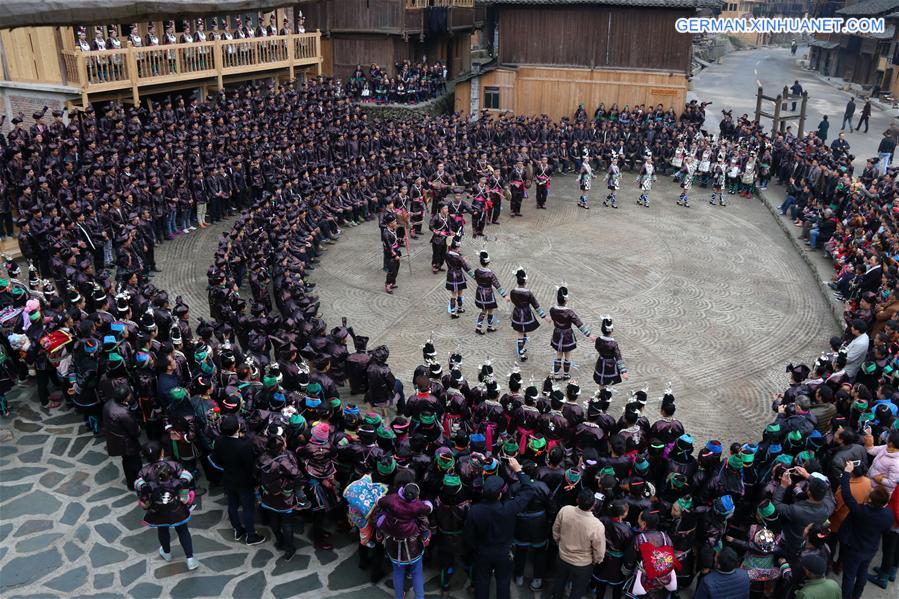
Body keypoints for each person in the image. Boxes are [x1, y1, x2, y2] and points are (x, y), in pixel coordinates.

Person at [463, 457, 535, 599]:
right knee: (503, 582)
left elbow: (469, 536)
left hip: (483, 552)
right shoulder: (509, 508)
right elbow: (528, 491)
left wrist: (476, 548)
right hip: (504, 553)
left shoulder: (474, 511)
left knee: (482, 582)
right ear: (500, 494)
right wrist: (518, 470)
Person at [135, 441, 199, 571]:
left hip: (158, 509)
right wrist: (185, 498)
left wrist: (146, 504)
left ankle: (167, 553)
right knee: (183, 530)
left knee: (162, 529)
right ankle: (190, 559)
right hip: (176, 507)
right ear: (163, 452)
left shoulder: (143, 472)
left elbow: (142, 492)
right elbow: (186, 481)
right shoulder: (174, 465)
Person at [837, 461, 893, 599]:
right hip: (870, 548)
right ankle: (856, 596)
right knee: (862, 573)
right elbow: (886, 531)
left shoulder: (861, 511)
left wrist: (846, 473)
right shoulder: (888, 515)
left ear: (871, 501)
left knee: (849, 576)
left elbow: (847, 495)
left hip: (854, 549)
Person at [210, 414, 266, 546]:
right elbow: (249, 466)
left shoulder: (219, 440)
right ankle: (251, 536)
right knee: (248, 508)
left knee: (232, 505)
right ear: (237, 428)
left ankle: (238, 529)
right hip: (244, 482)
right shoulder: (243, 446)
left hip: (228, 479)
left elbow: (217, 460)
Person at [376, 481, 433, 599]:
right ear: (417, 496)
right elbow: (428, 509)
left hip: (393, 547)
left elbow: (380, 502)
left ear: (402, 491)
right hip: (414, 548)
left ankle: (399, 596)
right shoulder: (417, 506)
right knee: (417, 573)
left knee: (397, 573)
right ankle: (420, 597)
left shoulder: (392, 500)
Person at [550, 487, 606, 599]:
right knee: (577, 590)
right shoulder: (597, 525)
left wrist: (559, 543)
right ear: (593, 505)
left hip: (562, 557)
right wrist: (596, 560)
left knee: (559, 582)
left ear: (577, 500)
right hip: (583, 565)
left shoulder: (565, 510)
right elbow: (599, 551)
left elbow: (555, 530)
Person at [102, 379, 143, 490]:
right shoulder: (123, 412)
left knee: (126, 462)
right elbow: (134, 430)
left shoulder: (108, 404)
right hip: (127, 443)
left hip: (116, 440)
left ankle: (131, 483)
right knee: (135, 463)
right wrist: (138, 429)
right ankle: (138, 483)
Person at [548, 285, 593, 380]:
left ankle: (556, 373)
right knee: (567, 354)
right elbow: (579, 324)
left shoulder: (552, 310)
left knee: (559, 354)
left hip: (557, 334)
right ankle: (566, 374)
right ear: (566, 299)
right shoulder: (569, 312)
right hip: (567, 335)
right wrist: (589, 335)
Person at [509, 267, 547, 362]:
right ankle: (521, 352)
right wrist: (544, 316)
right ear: (525, 282)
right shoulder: (528, 293)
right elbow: (536, 305)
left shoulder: (513, 291)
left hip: (517, 314)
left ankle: (521, 349)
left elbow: (513, 301)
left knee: (521, 333)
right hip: (526, 315)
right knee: (522, 333)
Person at [473, 250, 507, 335]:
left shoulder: (477, 271)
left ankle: (478, 326)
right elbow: (497, 284)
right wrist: (505, 295)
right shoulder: (490, 274)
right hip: (488, 294)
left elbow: (475, 278)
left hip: (479, 292)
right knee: (490, 311)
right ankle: (489, 327)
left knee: (483, 310)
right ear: (488, 262)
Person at [382, 213, 401, 294]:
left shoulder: (393, 230)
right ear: (390, 224)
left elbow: (395, 240)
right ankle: (388, 284)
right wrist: (395, 255)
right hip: (390, 254)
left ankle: (392, 282)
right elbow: (389, 247)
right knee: (391, 270)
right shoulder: (386, 233)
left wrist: (401, 239)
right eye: (394, 222)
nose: (395, 223)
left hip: (396, 251)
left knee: (396, 269)